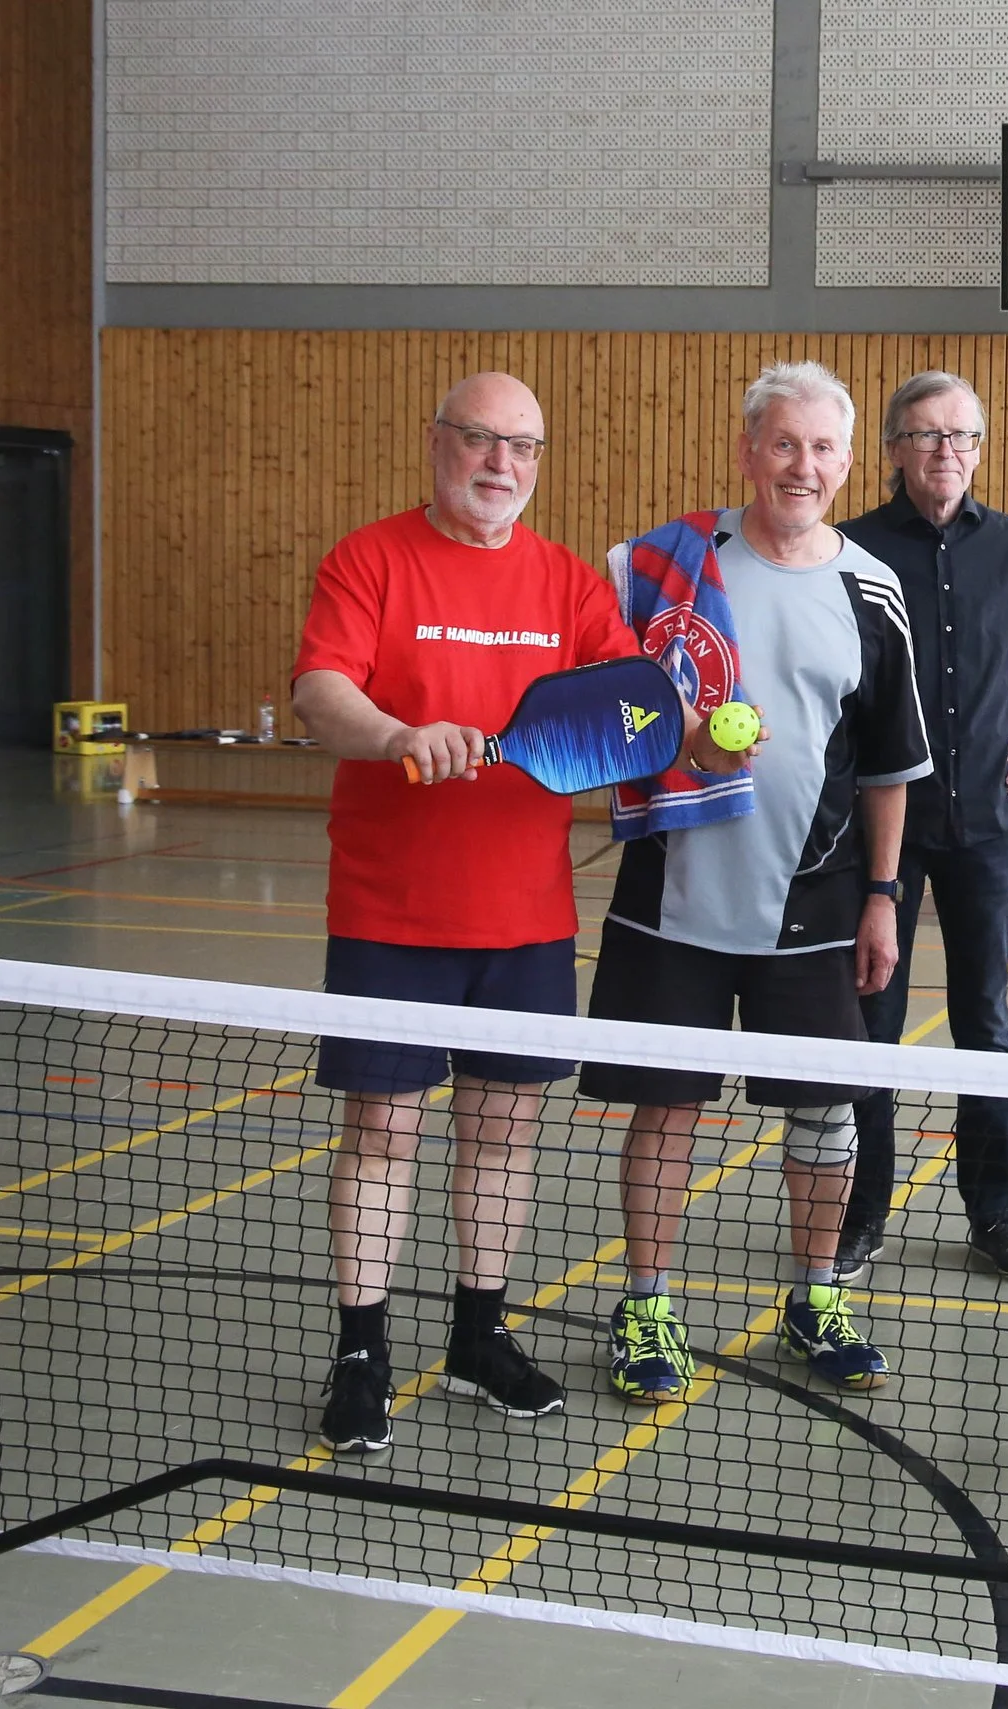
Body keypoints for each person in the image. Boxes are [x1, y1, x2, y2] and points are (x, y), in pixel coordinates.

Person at [291, 371, 643, 1455]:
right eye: (481, 439)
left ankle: (479, 1335)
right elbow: (319, 693)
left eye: (523, 446)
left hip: (525, 919)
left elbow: (627, 706)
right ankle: (361, 1352)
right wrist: (399, 734)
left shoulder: (567, 582)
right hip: (389, 913)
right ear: (436, 441)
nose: (501, 463)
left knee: (501, 1134)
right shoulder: (370, 559)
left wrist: (699, 732)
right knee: (382, 1133)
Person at [582, 361, 932, 1406]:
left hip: (818, 901)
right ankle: (646, 1303)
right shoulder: (664, 569)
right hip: (672, 894)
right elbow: (604, 709)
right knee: (666, 1111)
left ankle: (817, 1297)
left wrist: (882, 897)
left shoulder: (873, 588)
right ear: (747, 451)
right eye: (783, 443)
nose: (802, 466)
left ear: (848, 462)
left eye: (822, 448)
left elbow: (889, 767)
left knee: (824, 1114)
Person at [833, 371, 1008, 1285]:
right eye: (928, 435)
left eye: (962, 436)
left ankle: (995, 1212)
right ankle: (860, 1212)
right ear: (895, 450)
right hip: (882, 832)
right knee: (874, 1018)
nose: (947, 451)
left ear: (978, 450)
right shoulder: (851, 549)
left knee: (985, 1021)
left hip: (985, 824)